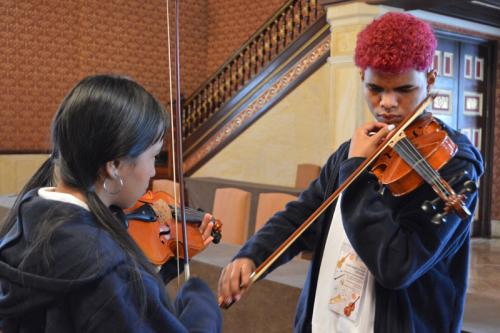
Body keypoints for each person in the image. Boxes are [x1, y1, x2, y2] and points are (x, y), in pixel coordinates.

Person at [217, 12, 484, 333]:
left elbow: (397, 266)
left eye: (403, 89)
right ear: (361, 78)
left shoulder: (453, 164)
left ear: (429, 79)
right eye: (375, 89)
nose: (387, 104)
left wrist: (356, 172)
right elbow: (304, 214)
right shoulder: (354, 150)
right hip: (325, 322)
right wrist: (252, 255)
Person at [0, 75, 221, 332]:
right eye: (154, 156)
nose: (152, 172)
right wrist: (201, 303)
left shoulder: (26, 219)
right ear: (114, 166)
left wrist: (169, 268)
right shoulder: (106, 266)